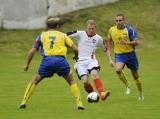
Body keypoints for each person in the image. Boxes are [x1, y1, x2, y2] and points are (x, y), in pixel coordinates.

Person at [19, 17, 85, 110]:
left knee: (34, 81)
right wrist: (76, 57)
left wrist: (27, 64)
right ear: (57, 26)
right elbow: (75, 49)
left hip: (47, 62)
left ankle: (23, 102)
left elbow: (32, 51)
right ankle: (79, 104)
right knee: (71, 81)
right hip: (61, 61)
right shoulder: (63, 35)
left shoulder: (41, 36)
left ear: (47, 26)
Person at [67, 19, 114, 101]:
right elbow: (65, 35)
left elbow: (105, 49)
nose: (91, 30)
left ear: (95, 28)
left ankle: (102, 94)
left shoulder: (98, 38)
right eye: (89, 28)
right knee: (85, 82)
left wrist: (110, 60)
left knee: (94, 74)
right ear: (86, 27)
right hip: (80, 62)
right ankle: (92, 95)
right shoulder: (80, 33)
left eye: (93, 29)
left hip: (91, 61)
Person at [107, 14, 144, 100]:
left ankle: (141, 93)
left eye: (120, 20)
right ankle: (127, 85)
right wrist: (109, 59)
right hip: (119, 55)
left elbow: (136, 42)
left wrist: (126, 43)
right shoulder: (111, 30)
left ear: (124, 21)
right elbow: (109, 45)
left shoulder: (129, 30)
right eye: (117, 21)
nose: (118, 22)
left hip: (131, 55)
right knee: (118, 70)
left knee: (135, 76)